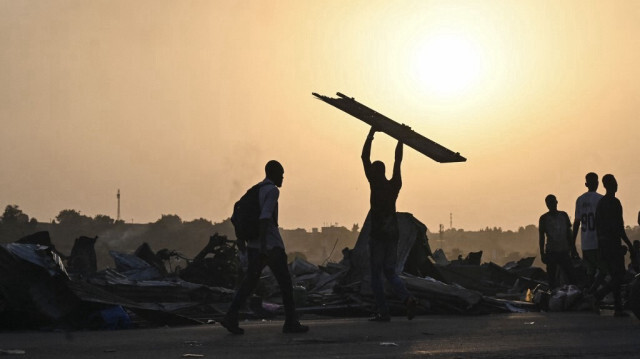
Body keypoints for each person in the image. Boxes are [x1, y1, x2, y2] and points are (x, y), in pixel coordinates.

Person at [221, 160, 309, 334]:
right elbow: (265, 218)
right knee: (285, 283)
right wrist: (264, 246)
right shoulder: (272, 191)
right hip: (270, 246)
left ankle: (231, 316)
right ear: (274, 173)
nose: (283, 177)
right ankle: (291, 322)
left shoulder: (256, 190)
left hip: (255, 245)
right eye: (281, 174)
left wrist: (244, 240)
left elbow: (236, 213)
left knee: (249, 282)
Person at [361, 127, 417, 322]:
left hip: (377, 236)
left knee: (376, 274)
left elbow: (364, 157)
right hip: (393, 235)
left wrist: (371, 133)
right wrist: (400, 139)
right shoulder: (394, 185)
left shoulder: (375, 185)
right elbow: (397, 161)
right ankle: (407, 298)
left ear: (374, 173)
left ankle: (383, 312)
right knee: (390, 272)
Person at [594, 174, 635, 317]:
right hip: (612, 243)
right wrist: (629, 244)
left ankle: (609, 301)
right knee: (619, 275)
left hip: (605, 243)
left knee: (615, 275)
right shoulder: (614, 203)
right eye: (615, 183)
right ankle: (602, 297)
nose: (617, 186)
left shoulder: (601, 203)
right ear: (610, 185)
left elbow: (598, 226)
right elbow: (619, 227)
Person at [572, 172, 603, 290]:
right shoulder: (600, 199)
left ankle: (590, 293)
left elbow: (576, 222)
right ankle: (594, 293)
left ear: (586, 184)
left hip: (586, 243)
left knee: (590, 271)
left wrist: (572, 243)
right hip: (598, 242)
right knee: (604, 270)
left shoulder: (580, 200)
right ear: (597, 183)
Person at [539, 194, 576, 289]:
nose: (552, 204)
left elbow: (569, 233)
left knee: (571, 276)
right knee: (552, 279)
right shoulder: (544, 219)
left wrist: (573, 248)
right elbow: (541, 237)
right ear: (547, 205)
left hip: (564, 251)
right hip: (552, 252)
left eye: (553, 202)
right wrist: (542, 253)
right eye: (550, 203)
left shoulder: (563, 215)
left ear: (557, 202)